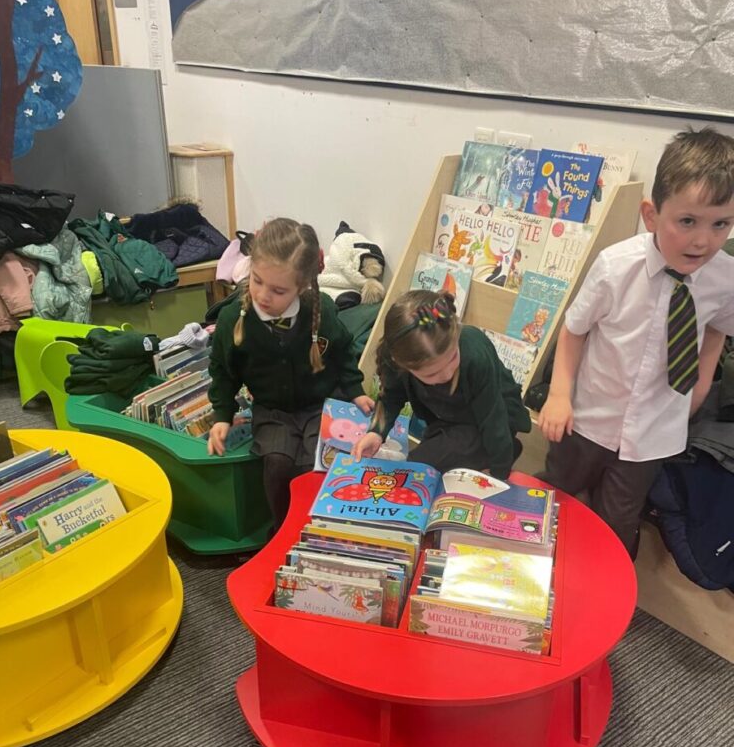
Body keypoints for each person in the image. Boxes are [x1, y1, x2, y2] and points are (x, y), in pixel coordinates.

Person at [538, 126, 734, 558]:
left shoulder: (723, 277)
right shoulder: (615, 266)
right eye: (687, 221)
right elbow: (574, 329)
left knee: (617, 523)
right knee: (557, 498)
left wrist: (700, 385)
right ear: (651, 215)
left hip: (652, 433)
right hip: (587, 419)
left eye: (721, 224)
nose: (703, 240)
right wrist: (559, 394)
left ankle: (600, 583)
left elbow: (719, 324)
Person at [207, 217, 374, 528]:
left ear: (302, 286)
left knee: (315, 462)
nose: (263, 295)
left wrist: (356, 391)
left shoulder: (321, 310)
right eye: (257, 280)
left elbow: (343, 351)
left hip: (321, 404)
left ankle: (315, 527)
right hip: (273, 410)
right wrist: (222, 415)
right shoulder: (233, 319)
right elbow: (222, 371)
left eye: (278, 290)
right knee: (277, 463)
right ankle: (283, 529)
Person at [351, 289, 530, 478]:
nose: (447, 374)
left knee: (420, 467)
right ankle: (479, 453)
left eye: (453, 358)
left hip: (495, 417)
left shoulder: (475, 354)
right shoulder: (394, 358)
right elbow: (390, 398)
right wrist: (376, 433)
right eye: (432, 374)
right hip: (447, 416)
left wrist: (499, 472)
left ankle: (500, 450)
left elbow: (494, 420)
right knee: (422, 466)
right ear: (402, 365)